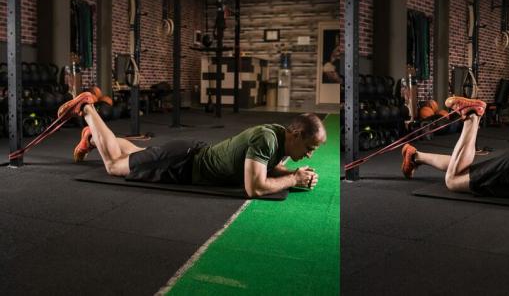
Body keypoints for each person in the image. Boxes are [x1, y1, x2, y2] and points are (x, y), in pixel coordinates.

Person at [59, 89, 326, 198]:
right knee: (115, 165)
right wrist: (292, 180)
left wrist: (295, 174)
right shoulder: (267, 138)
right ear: (297, 135)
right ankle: (87, 109)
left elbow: (268, 169)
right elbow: (254, 187)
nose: (310, 155)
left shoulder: (279, 137)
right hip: (183, 164)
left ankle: (94, 136)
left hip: (187, 153)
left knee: (138, 153)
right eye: (310, 148)